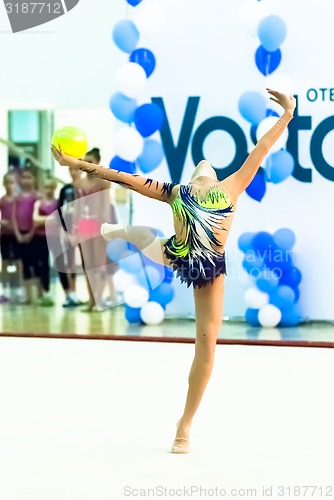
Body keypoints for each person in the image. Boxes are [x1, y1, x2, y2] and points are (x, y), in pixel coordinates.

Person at [51, 89, 296, 453]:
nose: (204, 168)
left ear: (209, 177)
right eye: (200, 168)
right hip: (180, 254)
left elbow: (262, 148)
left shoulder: (213, 187)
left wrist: (288, 115)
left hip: (203, 266)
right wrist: (78, 164)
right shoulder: (185, 190)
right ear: (198, 177)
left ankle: (185, 425)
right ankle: (114, 231)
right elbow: (122, 177)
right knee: (144, 236)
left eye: (206, 168)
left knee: (207, 347)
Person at [74, 147, 116, 311]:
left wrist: (105, 227)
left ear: (97, 162)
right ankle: (91, 300)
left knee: (99, 265)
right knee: (88, 265)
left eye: (90, 161)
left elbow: (105, 206)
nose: (86, 164)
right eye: (85, 161)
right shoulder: (80, 183)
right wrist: (75, 227)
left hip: (99, 225)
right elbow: (77, 207)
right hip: (84, 225)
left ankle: (99, 299)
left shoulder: (103, 181)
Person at [12, 167, 40, 304]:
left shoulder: (37, 197)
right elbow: (13, 217)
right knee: (24, 264)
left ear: (34, 179)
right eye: (24, 177)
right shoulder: (17, 198)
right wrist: (17, 233)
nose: (26, 180)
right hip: (20, 234)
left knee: (35, 263)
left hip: (33, 234)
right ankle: (27, 295)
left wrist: (31, 233)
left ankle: (38, 295)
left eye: (29, 177)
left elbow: (37, 217)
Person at [57, 166, 83, 307]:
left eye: (76, 169)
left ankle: (93, 295)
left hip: (84, 230)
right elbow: (59, 210)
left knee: (87, 262)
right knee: (70, 261)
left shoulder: (85, 187)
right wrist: (65, 230)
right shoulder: (65, 189)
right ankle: (72, 294)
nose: (74, 172)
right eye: (71, 170)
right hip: (68, 230)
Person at [33, 178, 60, 306]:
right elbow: (35, 219)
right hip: (40, 237)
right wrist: (51, 219)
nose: (49, 190)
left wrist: (43, 219)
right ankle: (45, 292)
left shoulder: (57, 203)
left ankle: (68, 293)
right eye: (46, 187)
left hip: (54, 236)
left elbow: (60, 219)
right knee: (42, 264)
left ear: (54, 188)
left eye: (51, 187)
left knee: (59, 264)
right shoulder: (38, 203)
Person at [0, 172, 21, 302]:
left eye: (12, 182)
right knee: (5, 263)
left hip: (17, 234)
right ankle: (5, 290)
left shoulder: (18, 200)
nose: (9, 185)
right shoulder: (2, 200)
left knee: (19, 262)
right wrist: (3, 223)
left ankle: (19, 289)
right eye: (7, 182)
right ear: (4, 184)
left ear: (16, 184)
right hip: (5, 235)